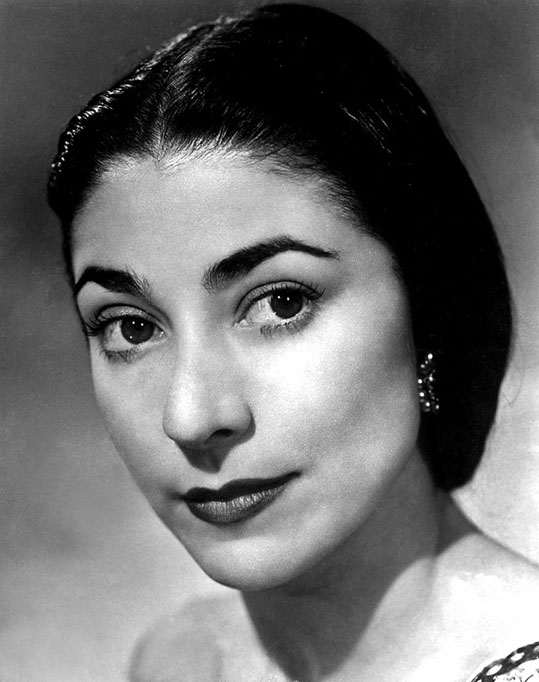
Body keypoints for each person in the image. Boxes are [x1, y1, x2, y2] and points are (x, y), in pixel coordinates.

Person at [47, 4, 539, 680]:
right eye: (131, 327)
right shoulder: (182, 661)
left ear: (428, 309)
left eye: (281, 303)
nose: (191, 416)